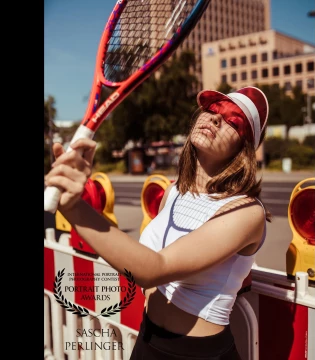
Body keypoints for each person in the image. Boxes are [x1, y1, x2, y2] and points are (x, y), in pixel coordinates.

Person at [45, 86, 272, 360]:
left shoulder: (247, 212)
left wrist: (73, 206)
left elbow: (154, 268)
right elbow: (150, 265)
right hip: (148, 339)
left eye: (233, 121)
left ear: (244, 147)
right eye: (212, 109)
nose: (215, 119)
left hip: (198, 354)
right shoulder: (173, 192)